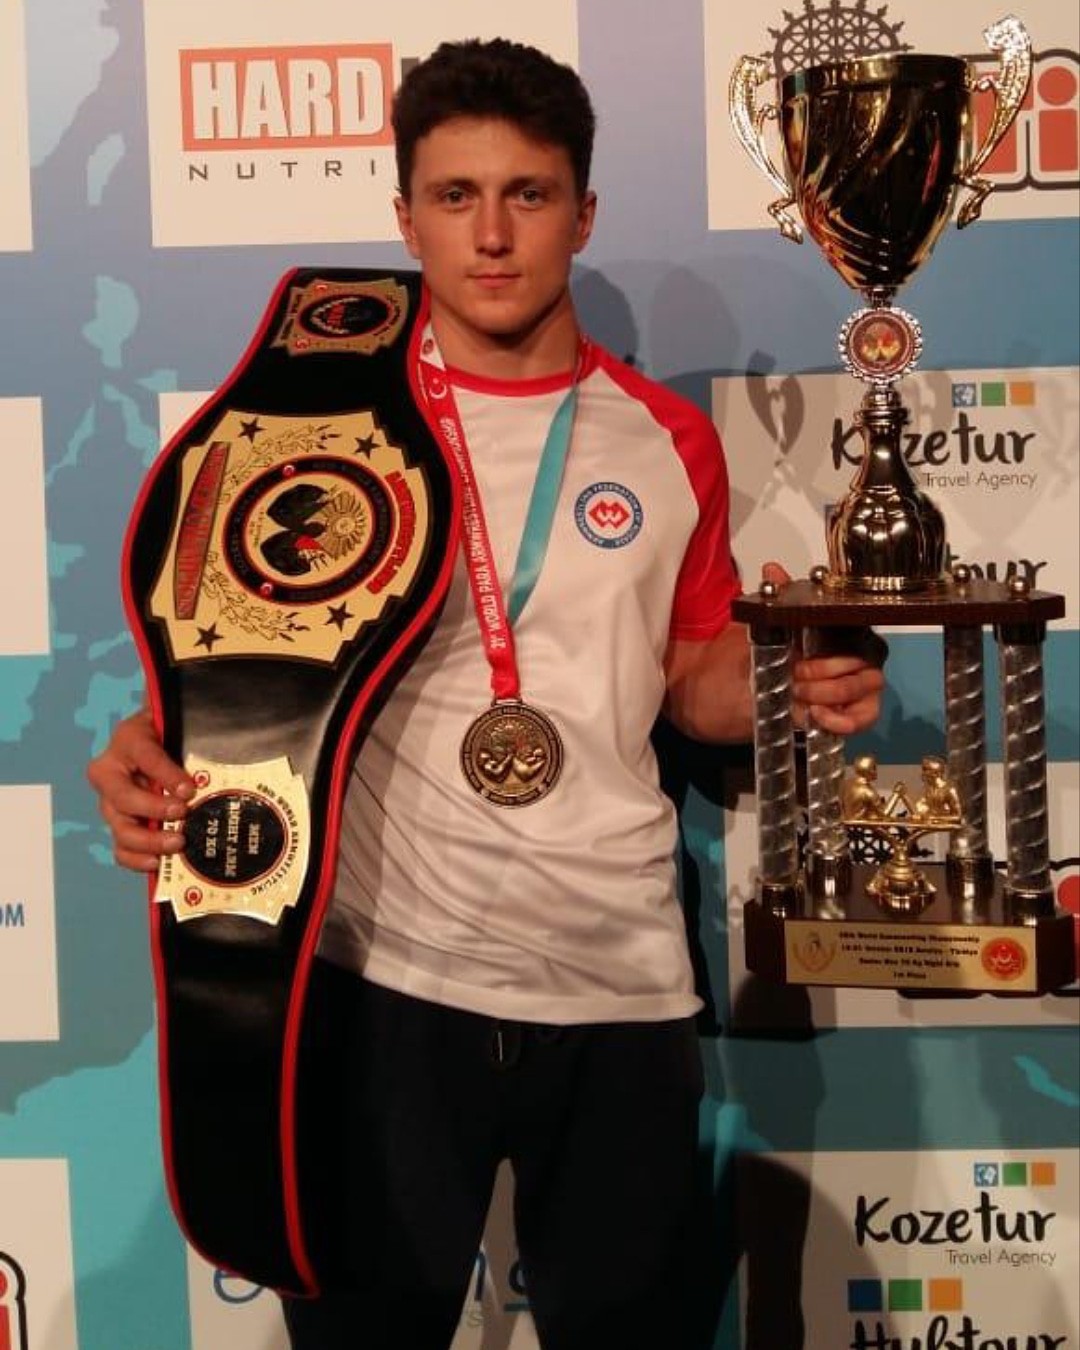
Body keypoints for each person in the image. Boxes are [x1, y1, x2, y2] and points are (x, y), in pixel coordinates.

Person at [88, 38, 885, 1350]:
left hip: (619, 985)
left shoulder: (665, 436)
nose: (494, 234)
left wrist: (782, 685)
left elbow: (687, 681)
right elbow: (235, 669)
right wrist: (148, 746)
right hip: (376, 987)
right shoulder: (303, 434)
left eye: (529, 193)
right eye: (456, 196)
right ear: (406, 220)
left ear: (585, 212)